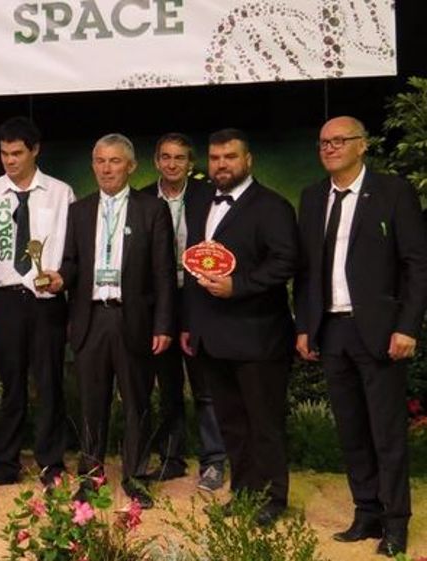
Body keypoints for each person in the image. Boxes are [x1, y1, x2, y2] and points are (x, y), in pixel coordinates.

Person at [295, 116, 427, 556]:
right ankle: (366, 512)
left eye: (338, 140)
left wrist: (407, 326)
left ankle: (396, 523)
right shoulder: (313, 198)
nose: (329, 148)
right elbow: (307, 271)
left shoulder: (393, 192)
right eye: (322, 142)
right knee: (351, 430)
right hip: (332, 331)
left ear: (362, 145)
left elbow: (416, 264)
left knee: (387, 433)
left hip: (380, 332)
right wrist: (304, 326)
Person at [43, 133, 176, 508]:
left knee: (137, 402)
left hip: (132, 319)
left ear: (131, 166)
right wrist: (59, 279)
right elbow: (71, 262)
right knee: (91, 402)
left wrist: (163, 325)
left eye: (114, 161)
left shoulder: (152, 210)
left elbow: (164, 275)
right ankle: (91, 476)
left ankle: (136, 477)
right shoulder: (80, 211)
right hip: (90, 319)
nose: (106, 168)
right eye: (100, 161)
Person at [180, 128, 298, 525]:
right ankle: (246, 493)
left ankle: (274, 498)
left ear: (248, 160)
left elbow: (285, 263)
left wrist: (239, 286)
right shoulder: (198, 202)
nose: (222, 165)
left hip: (258, 335)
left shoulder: (273, 206)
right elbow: (195, 264)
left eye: (230, 157)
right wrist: (190, 325)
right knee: (232, 423)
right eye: (215, 158)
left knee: (264, 423)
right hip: (212, 337)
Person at [0, 116, 73, 487]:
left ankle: (51, 463)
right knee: (10, 385)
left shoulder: (61, 193)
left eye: (16, 153)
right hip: (4, 300)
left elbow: (72, 252)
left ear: (35, 151)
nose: (9, 161)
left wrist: (65, 287)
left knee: (49, 384)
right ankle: (5, 463)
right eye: (3, 154)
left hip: (47, 299)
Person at [139, 133, 227, 491]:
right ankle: (172, 457)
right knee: (167, 384)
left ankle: (213, 461)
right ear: (156, 161)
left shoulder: (208, 197)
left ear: (191, 164)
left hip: (198, 300)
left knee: (205, 385)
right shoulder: (142, 198)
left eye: (180, 158)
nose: (172, 164)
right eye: (166, 157)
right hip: (157, 303)